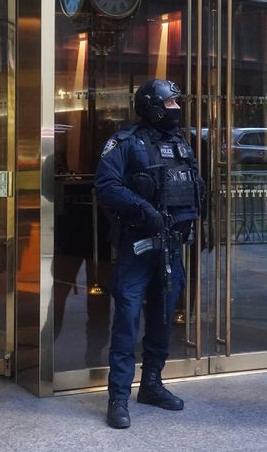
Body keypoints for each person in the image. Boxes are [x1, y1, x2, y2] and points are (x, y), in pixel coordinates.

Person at [94, 78, 204, 429]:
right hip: (138, 245)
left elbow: (195, 187)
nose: (176, 109)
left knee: (162, 318)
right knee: (127, 320)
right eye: (170, 104)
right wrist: (145, 211)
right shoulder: (124, 142)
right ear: (152, 107)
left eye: (176, 103)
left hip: (172, 247)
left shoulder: (180, 144)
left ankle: (152, 384)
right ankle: (118, 397)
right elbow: (107, 186)